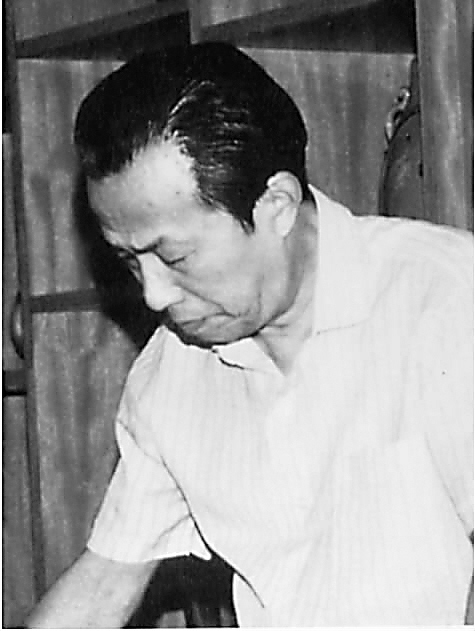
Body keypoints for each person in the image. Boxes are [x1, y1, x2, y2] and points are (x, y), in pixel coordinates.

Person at [26, 42, 473, 628]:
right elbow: (105, 583)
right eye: (130, 261)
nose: (153, 295)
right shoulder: (171, 372)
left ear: (277, 205)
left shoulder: (448, 300)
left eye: (174, 257)